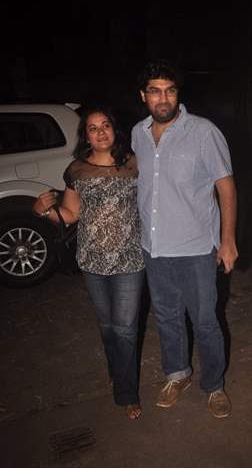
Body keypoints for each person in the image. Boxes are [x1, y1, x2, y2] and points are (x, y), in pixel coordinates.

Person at [132, 59, 238, 418]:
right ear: (143, 95)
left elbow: (226, 186)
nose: (163, 98)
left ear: (178, 94)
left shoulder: (204, 131)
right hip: (154, 247)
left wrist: (227, 240)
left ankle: (214, 385)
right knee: (166, 316)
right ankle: (177, 374)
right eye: (155, 91)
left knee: (205, 319)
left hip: (195, 247)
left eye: (170, 90)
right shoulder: (137, 134)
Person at [33, 105, 145, 420]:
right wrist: (42, 209)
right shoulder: (76, 170)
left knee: (125, 329)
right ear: (86, 136)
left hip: (130, 259)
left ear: (114, 130)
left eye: (105, 125)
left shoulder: (135, 164)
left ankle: (126, 393)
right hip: (92, 259)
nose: (100, 132)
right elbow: (70, 215)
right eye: (93, 128)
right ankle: (116, 368)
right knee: (108, 327)